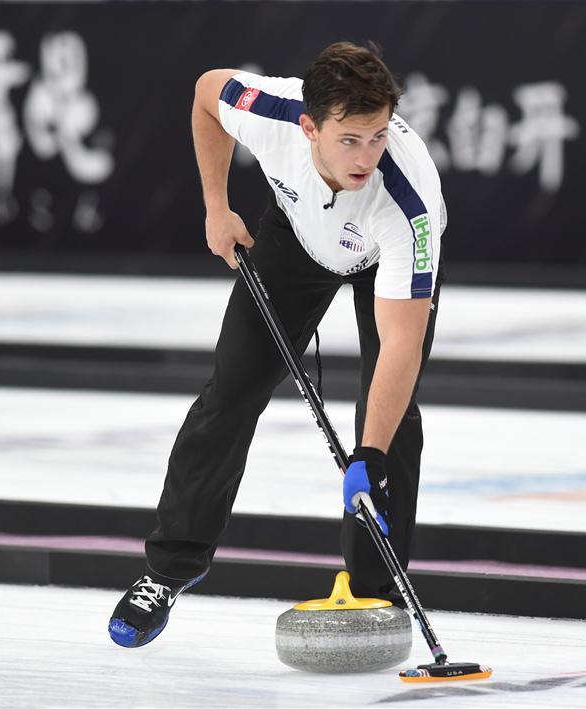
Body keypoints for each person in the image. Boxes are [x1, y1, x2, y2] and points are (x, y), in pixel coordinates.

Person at [108, 41, 445, 648]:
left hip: (380, 257)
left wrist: (367, 456)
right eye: (349, 139)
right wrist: (217, 206)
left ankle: (374, 588)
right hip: (294, 235)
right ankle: (168, 569)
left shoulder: (408, 203)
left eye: (377, 137)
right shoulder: (270, 110)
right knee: (230, 393)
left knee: (390, 422)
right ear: (309, 126)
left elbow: (400, 345)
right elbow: (207, 92)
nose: (366, 155)